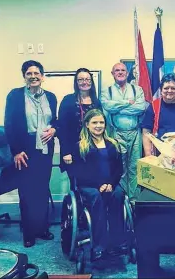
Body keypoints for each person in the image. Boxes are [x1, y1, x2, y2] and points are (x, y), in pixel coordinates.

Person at [4, 60, 57, 248]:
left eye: (37, 73)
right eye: (29, 73)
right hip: (24, 149)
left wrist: (54, 130)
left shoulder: (51, 97)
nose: (33, 76)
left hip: (45, 149)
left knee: (42, 189)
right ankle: (28, 232)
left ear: (42, 76)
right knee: (27, 191)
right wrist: (16, 151)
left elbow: (55, 120)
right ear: (24, 76)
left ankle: (42, 228)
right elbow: (9, 124)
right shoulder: (15, 96)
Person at [68, 109, 125, 264]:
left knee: (119, 195)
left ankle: (117, 243)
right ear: (87, 125)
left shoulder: (113, 144)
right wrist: (99, 184)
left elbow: (119, 169)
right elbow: (79, 172)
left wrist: (111, 184)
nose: (98, 126)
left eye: (101, 122)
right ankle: (99, 246)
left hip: (110, 185)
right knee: (96, 198)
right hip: (89, 187)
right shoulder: (80, 146)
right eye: (94, 122)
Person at [100, 62, 146, 201]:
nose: (120, 72)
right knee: (120, 168)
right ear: (112, 73)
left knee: (134, 168)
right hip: (116, 134)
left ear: (127, 73)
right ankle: (121, 199)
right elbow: (108, 106)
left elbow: (141, 107)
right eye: (117, 70)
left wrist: (117, 107)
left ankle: (133, 200)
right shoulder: (106, 92)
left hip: (135, 133)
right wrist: (128, 103)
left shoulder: (137, 90)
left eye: (123, 70)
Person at [58, 68, 102, 181]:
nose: (84, 82)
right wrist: (66, 152)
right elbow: (62, 128)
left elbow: (101, 127)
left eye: (87, 79)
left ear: (91, 82)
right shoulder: (68, 100)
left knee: (92, 183)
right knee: (76, 184)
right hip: (72, 150)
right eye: (81, 79)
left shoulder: (96, 102)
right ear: (76, 82)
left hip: (92, 149)